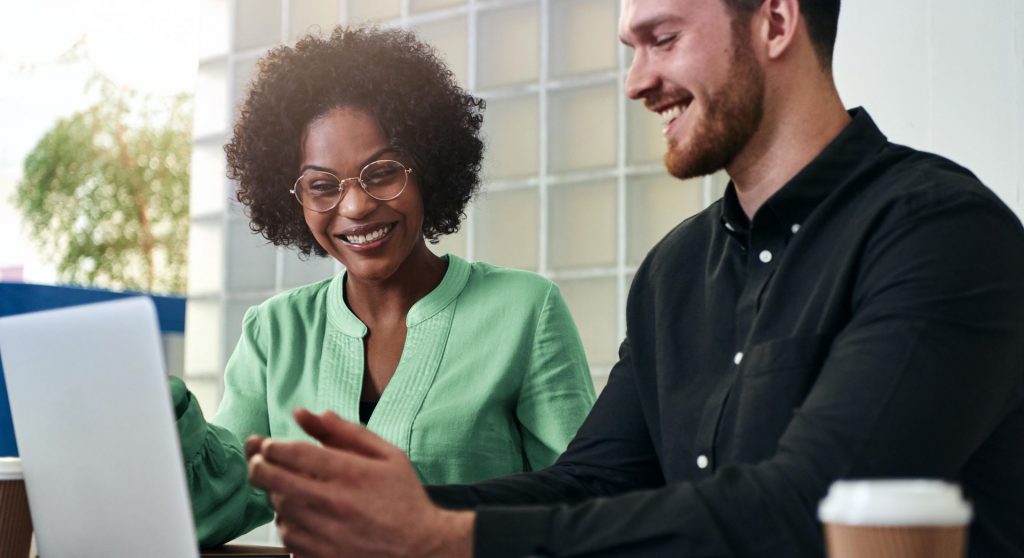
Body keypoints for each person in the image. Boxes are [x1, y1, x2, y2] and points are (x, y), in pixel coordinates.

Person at [245, 0, 1024, 556]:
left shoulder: (941, 233)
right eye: (631, 47)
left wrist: (446, 537)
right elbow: (595, 483)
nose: (636, 81)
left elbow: (806, 511)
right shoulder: (675, 271)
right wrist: (394, 512)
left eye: (663, 38)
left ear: (776, 22)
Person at [171, 27, 596, 546]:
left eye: (382, 172)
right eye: (322, 185)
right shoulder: (274, 332)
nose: (356, 207)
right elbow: (214, 509)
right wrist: (161, 407)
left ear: (429, 167)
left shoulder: (525, 311)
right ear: (293, 199)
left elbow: (586, 507)